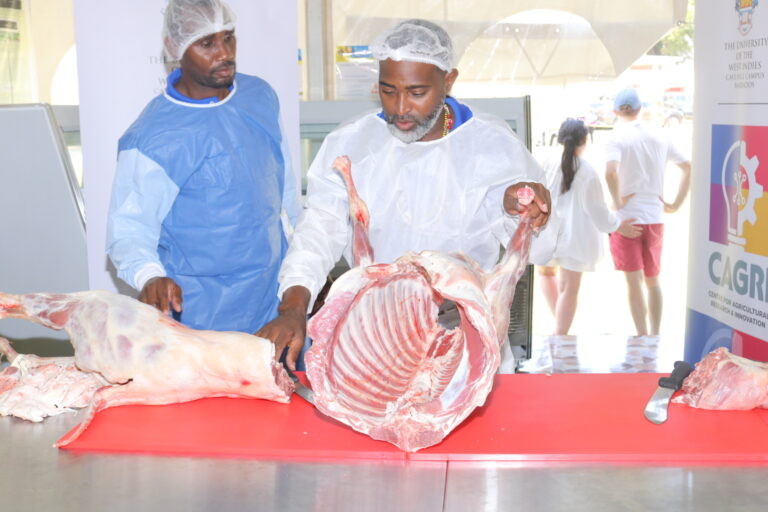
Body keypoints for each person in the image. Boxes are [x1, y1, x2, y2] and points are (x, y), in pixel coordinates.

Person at [256, 19, 552, 371]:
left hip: (462, 338)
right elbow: (319, 231)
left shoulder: (490, 146)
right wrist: (293, 309)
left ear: (449, 81)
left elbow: (541, 248)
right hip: (374, 336)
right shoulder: (353, 144)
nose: (399, 108)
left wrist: (519, 210)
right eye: (388, 90)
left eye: (416, 92)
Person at [106, 0, 300, 334]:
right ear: (175, 48)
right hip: (201, 315)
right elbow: (129, 228)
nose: (224, 53)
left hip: (274, 301)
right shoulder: (153, 138)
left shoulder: (258, 97)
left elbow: (287, 194)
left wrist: (304, 269)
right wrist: (149, 276)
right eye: (207, 43)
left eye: (229, 38)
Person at [535, 119, 641, 336]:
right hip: (575, 238)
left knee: (546, 276)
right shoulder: (587, 171)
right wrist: (619, 226)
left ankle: (559, 329)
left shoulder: (547, 162)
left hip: (547, 232)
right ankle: (560, 334)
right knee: (569, 290)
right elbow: (597, 210)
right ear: (585, 141)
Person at [604, 88, 691, 337]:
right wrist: (676, 203)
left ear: (615, 111)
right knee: (653, 281)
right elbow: (687, 166)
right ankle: (655, 334)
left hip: (627, 219)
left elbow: (610, 172)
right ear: (641, 108)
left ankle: (642, 335)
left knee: (634, 283)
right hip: (655, 217)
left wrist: (617, 200)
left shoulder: (616, 137)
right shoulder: (660, 135)